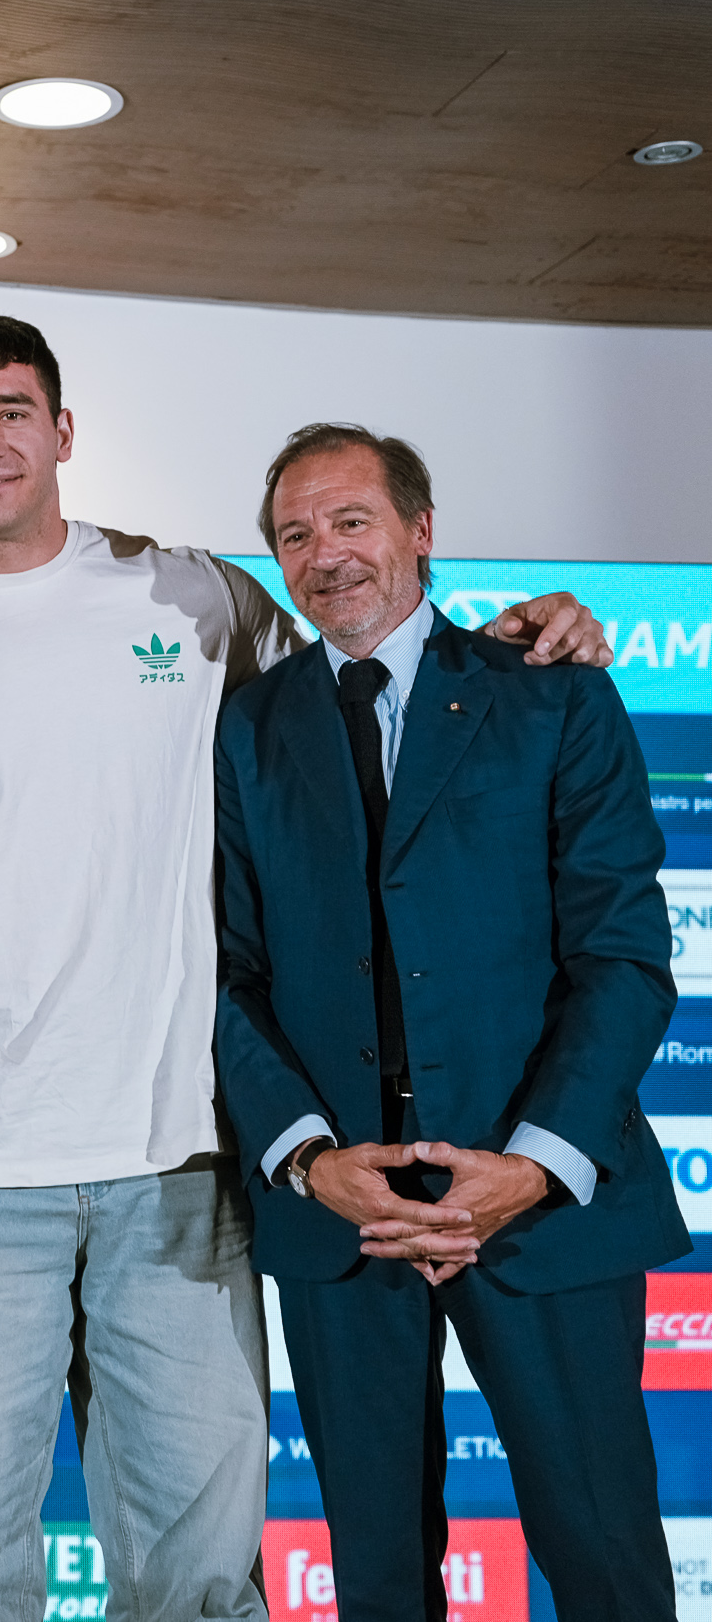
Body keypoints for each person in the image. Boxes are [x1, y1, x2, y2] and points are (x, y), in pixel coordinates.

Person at [0, 313, 612, 1620]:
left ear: (63, 430)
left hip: (182, 1162)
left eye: (12, 410)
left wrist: (527, 629)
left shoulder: (197, 597)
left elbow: (371, 650)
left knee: (202, 1579)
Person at [216, 423, 685, 1618]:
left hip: (542, 1204)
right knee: (377, 1580)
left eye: (351, 520)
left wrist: (528, 1167)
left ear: (420, 531)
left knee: (607, 1560)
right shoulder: (245, 730)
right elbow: (223, 972)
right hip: (346, 1218)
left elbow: (624, 956)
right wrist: (311, 1161)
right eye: (294, 535)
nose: (326, 553)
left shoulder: (553, 692)